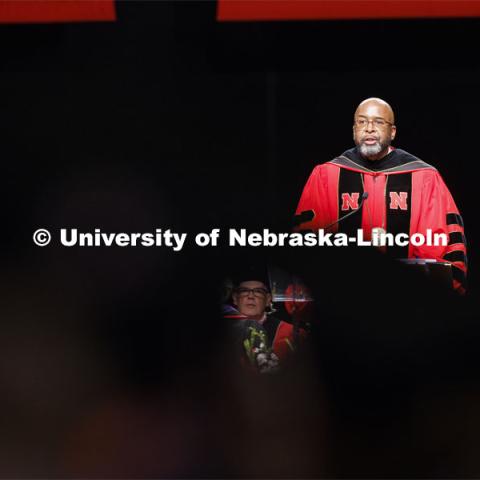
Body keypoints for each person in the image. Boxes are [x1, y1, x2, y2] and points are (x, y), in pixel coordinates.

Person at [295, 97, 467, 293]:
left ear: (392, 132)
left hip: (406, 297)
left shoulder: (424, 177)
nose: (369, 128)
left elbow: (436, 243)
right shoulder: (326, 175)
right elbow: (308, 240)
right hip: (342, 295)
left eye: (378, 121)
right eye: (362, 121)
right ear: (353, 130)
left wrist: (425, 288)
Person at [226, 276, 302, 373]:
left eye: (258, 291)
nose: (250, 296)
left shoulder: (291, 334)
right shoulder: (219, 332)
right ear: (235, 298)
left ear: (268, 299)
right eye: (244, 291)